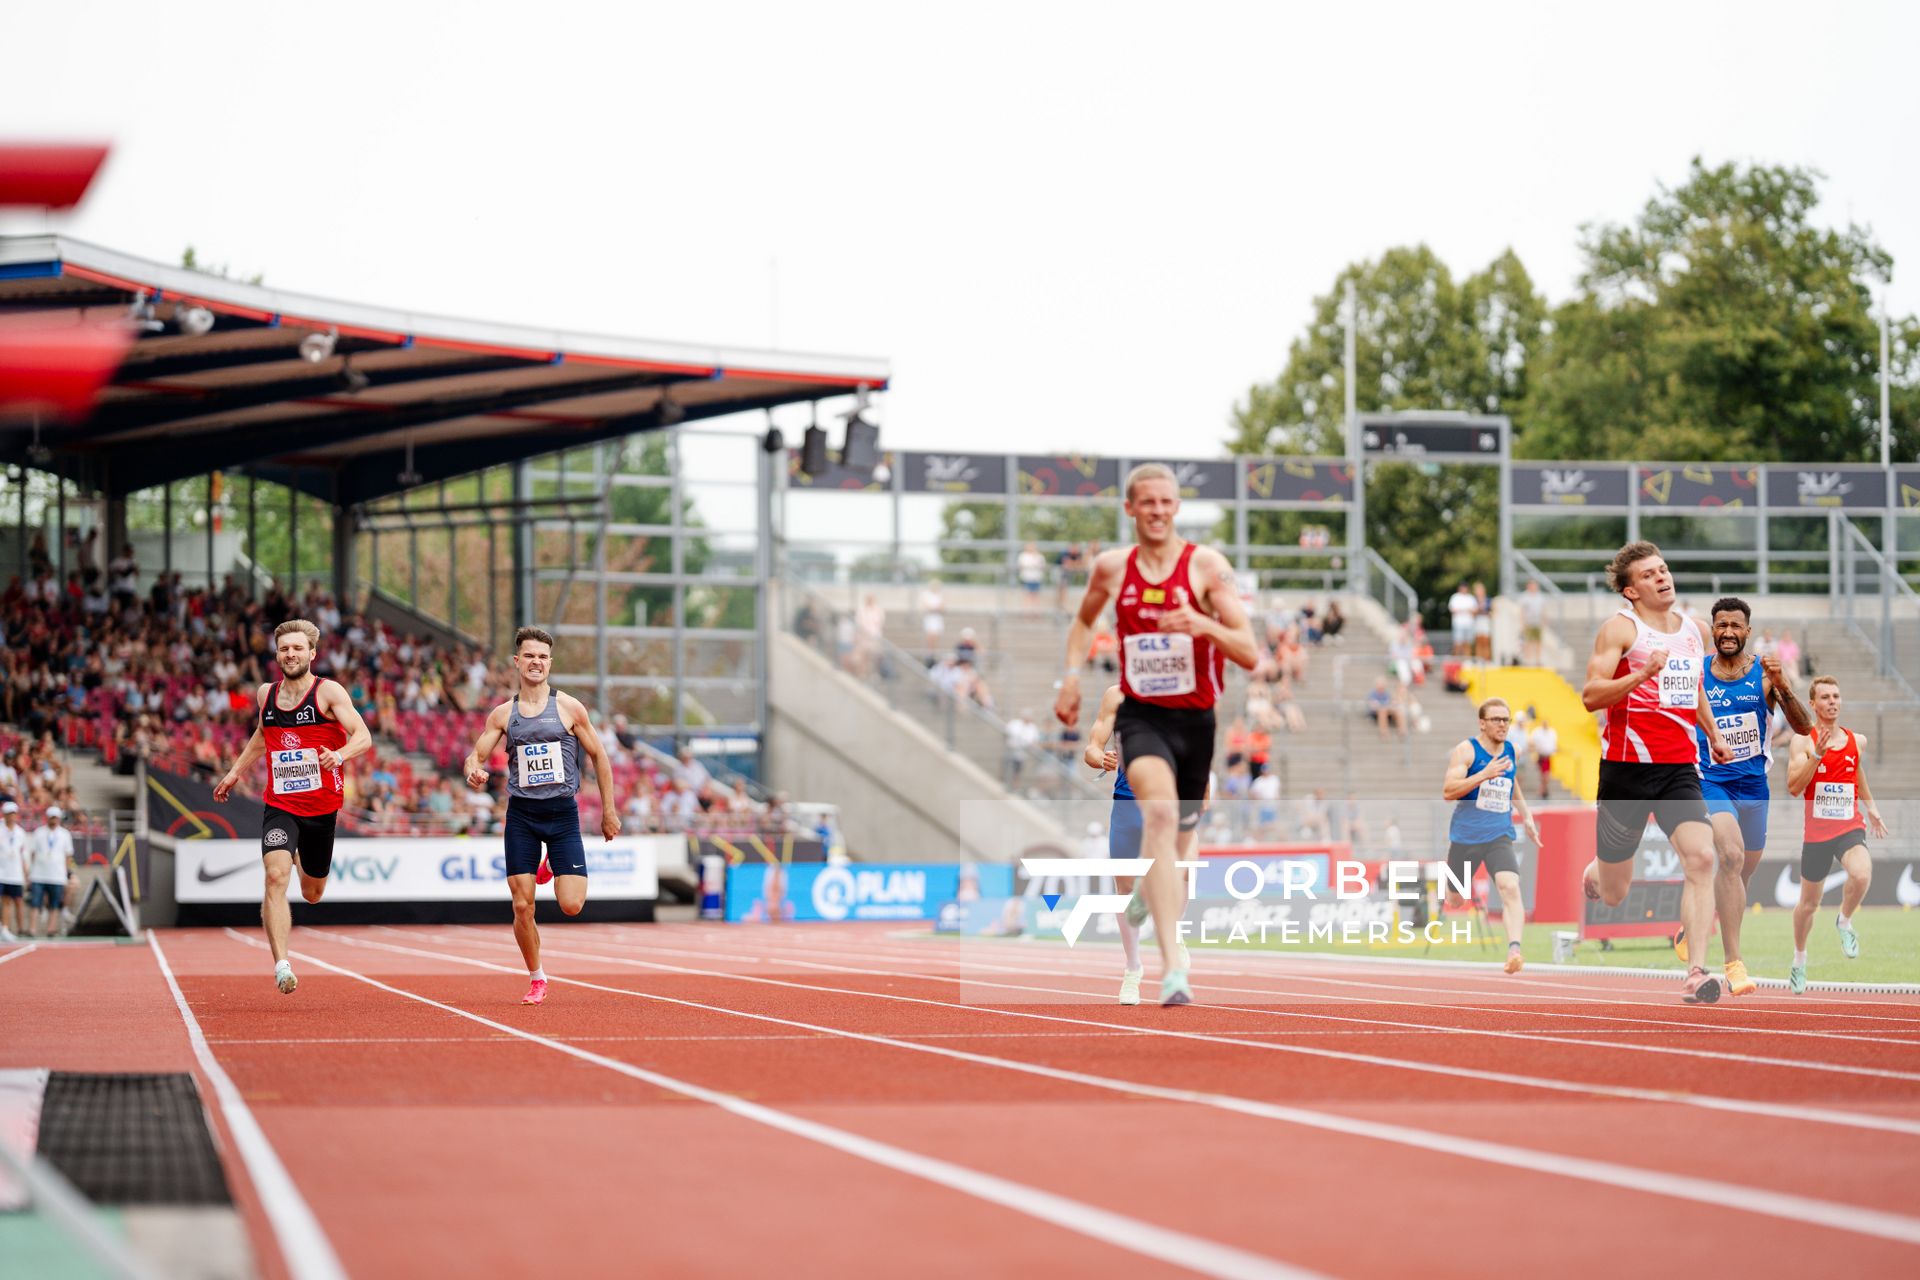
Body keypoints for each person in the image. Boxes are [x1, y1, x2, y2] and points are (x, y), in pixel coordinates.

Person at [1055, 463, 1258, 1007]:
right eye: (1147, 502)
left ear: (1177, 507)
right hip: (1140, 715)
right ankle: (1170, 970)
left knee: (1178, 831)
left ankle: (1150, 902)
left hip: (1194, 720)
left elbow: (1249, 650)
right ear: (1130, 509)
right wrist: (1071, 678)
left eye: (1167, 502)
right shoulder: (1110, 569)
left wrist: (1203, 624)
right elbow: (1081, 624)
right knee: (1161, 815)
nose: (1158, 511)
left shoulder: (1208, 567)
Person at [1580, 542, 1733, 1003]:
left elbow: (1694, 688)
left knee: (1702, 858)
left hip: (1677, 770)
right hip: (1625, 773)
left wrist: (1713, 733)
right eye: (1649, 575)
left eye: (1663, 569)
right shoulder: (1620, 630)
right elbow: (1590, 696)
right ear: (1630, 591)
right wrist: (1641, 675)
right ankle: (1596, 869)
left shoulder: (1695, 631)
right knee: (1613, 893)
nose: (1662, 577)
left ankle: (1696, 971)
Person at [464, 626, 621, 1005]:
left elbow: (599, 757)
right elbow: (476, 754)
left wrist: (608, 812)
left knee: (571, 904)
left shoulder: (569, 708)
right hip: (522, 815)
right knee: (522, 904)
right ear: (517, 662)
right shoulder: (504, 714)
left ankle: (551, 862)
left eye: (542, 657)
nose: (536, 663)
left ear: (550, 663)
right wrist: (473, 769)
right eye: (529, 656)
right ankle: (536, 977)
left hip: (563, 814)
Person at [213, 621, 373, 994]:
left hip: (322, 809)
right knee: (274, 877)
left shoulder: (328, 692)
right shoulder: (265, 695)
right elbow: (262, 734)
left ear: (312, 653)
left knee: (313, 893)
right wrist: (236, 771)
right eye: (284, 648)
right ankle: (282, 965)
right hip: (281, 805)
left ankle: (303, 857)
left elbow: (363, 735)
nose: (291, 654)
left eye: (298, 648)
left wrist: (339, 754)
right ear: (277, 654)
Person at [1674, 597, 1813, 995]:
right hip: (1709, 781)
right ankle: (1734, 962)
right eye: (1721, 625)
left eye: (1736, 626)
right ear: (1712, 630)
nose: (1728, 633)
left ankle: (1695, 922)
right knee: (1731, 857)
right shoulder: (1697, 673)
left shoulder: (1765, 675)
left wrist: (1784, 684)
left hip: (1754, 786)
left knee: (1741, 872)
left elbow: (1803, 728)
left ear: (1748, 631)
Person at [1784, 676, 1888, 995]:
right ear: (1813, 705)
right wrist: (1816, 755)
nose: (1833, 701)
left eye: (1836, 696)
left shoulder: (1858, 740)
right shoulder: (1802, 741)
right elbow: (1793, 787)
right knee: (1808, 905)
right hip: (1816, 835)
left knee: (1861, 873)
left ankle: (1844, 921)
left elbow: (1857, 773)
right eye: (1826, 697)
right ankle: (1799, 960)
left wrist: (1872, 808)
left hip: (1848, 827)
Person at [1441, 699, 1543, 973]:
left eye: (1506, 720)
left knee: (1510, 886)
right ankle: (1449, 883)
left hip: (1499, 834)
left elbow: (1512, 783)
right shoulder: (1467, 751)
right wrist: (1482, 775)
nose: (1502, 725)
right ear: (1482, 723)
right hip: (1466, 837)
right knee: (1455, 899)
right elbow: (1448, 791)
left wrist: (1527, 816)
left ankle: (1514, 950)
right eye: (1496, 719)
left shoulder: (1513, 750)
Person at [1083, 684, 1148, 1004]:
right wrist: (1102, 758)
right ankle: (1133, 969)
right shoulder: (1115, 694)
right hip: (1126, 802)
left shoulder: (1180, 690)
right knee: (1124, 889)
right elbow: (1092, 748)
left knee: (1180, 872)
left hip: (1164, 801)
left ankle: (1174, 943)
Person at [0, 802, 27, 941]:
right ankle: (3, 928)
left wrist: (26, 873)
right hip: (1, 872)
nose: (11, 816)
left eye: (13, 813)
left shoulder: (20, 832)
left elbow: (22, 854)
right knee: (4, 900)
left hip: (14, 873)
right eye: (9, 813)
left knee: (12, 901)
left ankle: (10, 928)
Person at [1520, 580, 1547, 665]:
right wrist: (1522, 623)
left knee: (1538, 642)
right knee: (1528, 642)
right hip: (1528, 622)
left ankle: (1538, 660)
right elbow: (1522, 611)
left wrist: (1544, 622)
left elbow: (1543, 610)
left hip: (1537, 622)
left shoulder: (1540, 597)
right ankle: (1528, 660)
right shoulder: (1524, 597)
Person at [1529, 720, 1557, 800]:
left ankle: (1542, 790)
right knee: (1543, 776)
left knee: (1546, 776)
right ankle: (1543, 791)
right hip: (1541, 756)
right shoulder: (1537, 732)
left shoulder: (1551, 732)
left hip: (1547, 757)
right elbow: (1532, 741)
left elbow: (1553, 745)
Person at [1447, 583, 1477, 658]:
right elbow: (1452, 609)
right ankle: (1457, 659)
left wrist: (1461, 610)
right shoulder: (1455, 597)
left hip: (1468, 624)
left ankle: (1467, 658)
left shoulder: (1470, 598)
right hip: (1458, 624)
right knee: (1458, 642)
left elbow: (1475, 610)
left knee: (1468, 643)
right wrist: (1466, 610)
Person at [1017, 542, 1046, 609]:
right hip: (1027, 578)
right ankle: (1027, 610)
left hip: (1036, 578)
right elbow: (1021, 566)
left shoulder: (1039, 556)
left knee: (1036, 596)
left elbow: (1042, 566)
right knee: (1027, 595)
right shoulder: (1023, 556)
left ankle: (1035, 610)